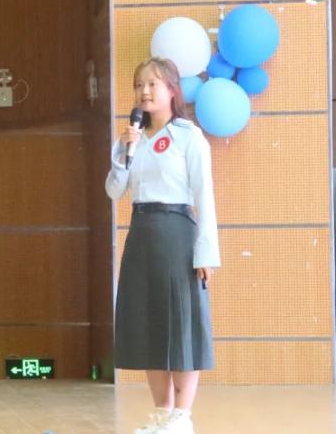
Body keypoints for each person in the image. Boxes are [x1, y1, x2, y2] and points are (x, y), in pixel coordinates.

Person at [105, 57, 220, 434]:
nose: (144, 91)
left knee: (180, 324)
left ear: (172, 90)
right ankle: (160, 414)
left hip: (178, 235)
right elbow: (114, 191)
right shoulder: (131, 138)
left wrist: (206, 253)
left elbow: (204, 196)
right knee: (149, 323)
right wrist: (124, 153)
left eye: (152, 84)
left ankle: (182, 417)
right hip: (141, 233)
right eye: (139, 85)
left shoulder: (189, 136)